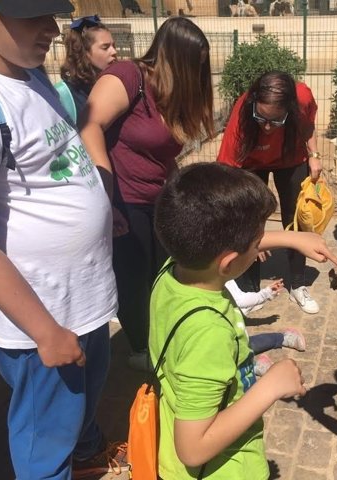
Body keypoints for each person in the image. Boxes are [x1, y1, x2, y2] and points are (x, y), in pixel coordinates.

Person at [0, 0, 128, 478]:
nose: (54, 30)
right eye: (33, 16)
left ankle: (85, 453)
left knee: (81, 400)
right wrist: (46, 333)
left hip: (80, 299)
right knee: (45, 437)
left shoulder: (30, 74)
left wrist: (98, 200)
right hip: (43, 316)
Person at [150, 162, 337, 480]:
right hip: (220, 469)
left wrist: (290, 240)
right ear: (228, 261)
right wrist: (270, 388)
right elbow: (192, 449)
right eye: (257, 243)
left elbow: (219, 248)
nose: (260, 247)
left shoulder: (175, 268)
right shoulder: (208, 334)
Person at [80, 17, 215, 371]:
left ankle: (162, 335)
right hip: (124, 198)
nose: (197, 75)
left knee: (164, 273)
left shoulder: (169, 93)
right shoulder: (128, 77)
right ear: (174, 58)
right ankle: (141, 347)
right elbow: (89, 124)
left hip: (158, 198)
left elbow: (163, 154)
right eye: (194, 65)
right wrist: (106, 197)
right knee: (135, 278)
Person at [217, 71, 323, 315]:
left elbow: (308, 126)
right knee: (248, 219)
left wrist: (314, 155)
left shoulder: (302, 97)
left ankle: (298, 284)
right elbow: (226, 176)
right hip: (252, 163)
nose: (266, 126)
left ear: (289, 110)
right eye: (261, 117)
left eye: (275, 121)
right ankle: (250, 289)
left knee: (296, 220)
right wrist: (252, 232)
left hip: (291, 158)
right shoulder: (243, 112)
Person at [57, 15, 117, 123]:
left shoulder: (114, 85)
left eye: (114, 46)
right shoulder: (64, 94)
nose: (114, 52)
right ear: (85, 52)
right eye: (105, 47)